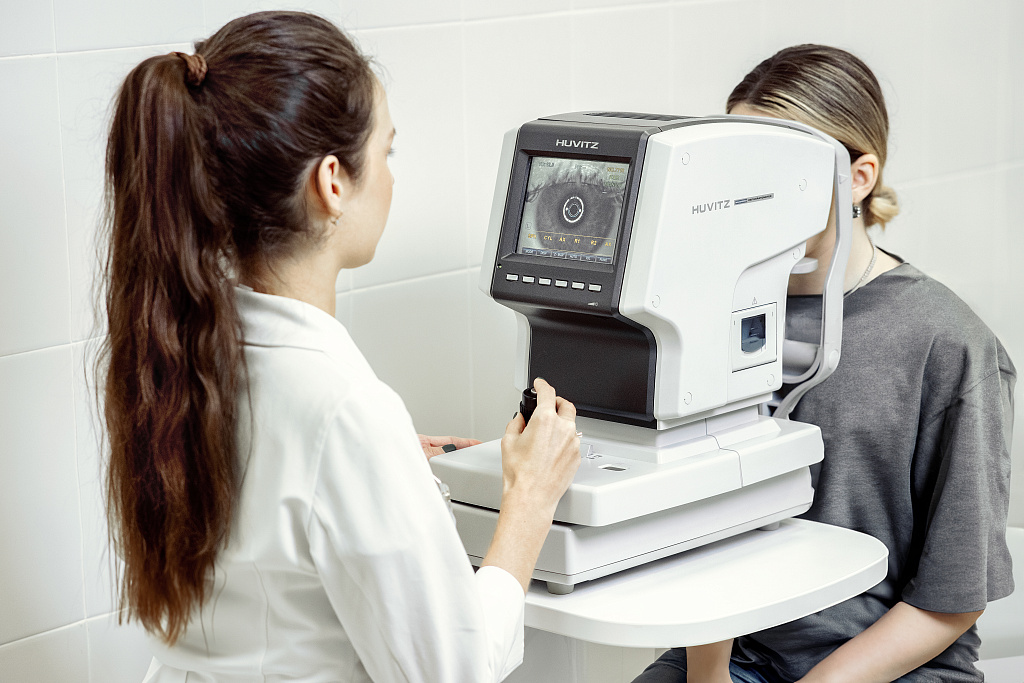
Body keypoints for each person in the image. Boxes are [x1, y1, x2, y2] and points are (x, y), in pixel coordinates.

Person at [99, 11, 581, 682]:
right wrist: (529, 500)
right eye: (386, 152)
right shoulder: (343, 411)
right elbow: (454, 670)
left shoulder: (181, 355)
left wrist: (387, 469)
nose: (390, 177)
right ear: (331, 181)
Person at [633, 44, 1015, 683]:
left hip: (897, 665)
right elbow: (703, 524)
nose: (750, 195)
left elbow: (951, 600)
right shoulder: (703, 316)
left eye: (779, 169)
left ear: (859, 177)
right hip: (732, 651)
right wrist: (708, 674)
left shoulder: (949, 345)